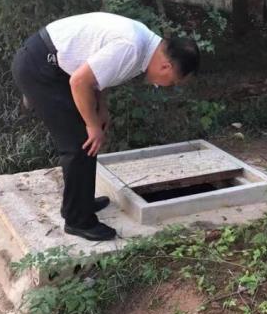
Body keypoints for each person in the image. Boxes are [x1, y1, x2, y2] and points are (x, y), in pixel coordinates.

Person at [12, 12, 200, 240]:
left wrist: (101, 108)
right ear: (166, 67)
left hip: (56, 66)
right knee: (80, 142)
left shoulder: (145, 46)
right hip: (41, 67)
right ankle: (78, 220)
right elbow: (79, 81)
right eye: (173, 82)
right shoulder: (132, 47)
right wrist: (92, 125)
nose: (168, 86)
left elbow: (100, 74)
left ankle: (80, 202)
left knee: (87, 139)